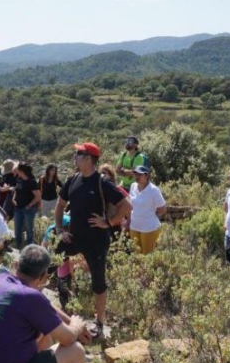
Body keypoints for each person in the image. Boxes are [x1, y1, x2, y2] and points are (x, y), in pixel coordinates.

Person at [55, 142, 131, 336]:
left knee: (98, 282)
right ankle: (53, 304)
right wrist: (59, 229)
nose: (75, 156)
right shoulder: (73, 180)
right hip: (74, 237)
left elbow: (126, 206)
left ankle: (99, 322)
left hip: (96, 240)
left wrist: (109, 222)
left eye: (79, 153)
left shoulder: (101, 182)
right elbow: (60, 205)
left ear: (89, 158)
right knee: (49, 263)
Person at [128, 165, 167, 254]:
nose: (136, 176)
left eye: (139, 174)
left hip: (149, 228)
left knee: (147, 257)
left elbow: (163, 209)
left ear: (146, 175)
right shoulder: (133, 186)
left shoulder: (153, 190)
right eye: (135, 174)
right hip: (134, 226)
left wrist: (150, 216)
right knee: (136, 256)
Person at [12, 161, 42, 249]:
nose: (16, 170)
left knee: (29, 228)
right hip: (18, 208)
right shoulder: (19, 179)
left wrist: (29, 205)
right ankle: (18, 245)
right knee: (17, 227)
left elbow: (38, 196)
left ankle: (29, 247)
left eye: (18, 169)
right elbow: (16, 190)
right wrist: (13, 198)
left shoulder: (31, 182)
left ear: (21, 171)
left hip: (28, 209)